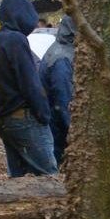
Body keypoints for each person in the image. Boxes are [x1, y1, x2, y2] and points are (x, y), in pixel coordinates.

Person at [0, 0, 56, 177]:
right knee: (49, 179)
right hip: (24, 119)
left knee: (18, 181)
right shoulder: (15, 40)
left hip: (5, 120)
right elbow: (30, 83)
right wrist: (44, 114)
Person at [40, 15, 75, 165]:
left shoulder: (58, 49)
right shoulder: (62, 58)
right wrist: (74, 130)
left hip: (53, 119)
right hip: (56, 125)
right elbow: (63, 98)